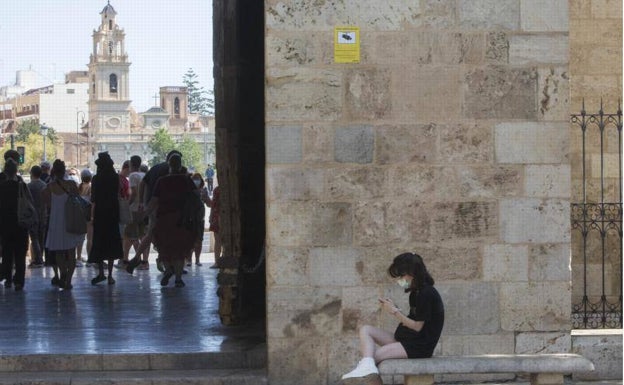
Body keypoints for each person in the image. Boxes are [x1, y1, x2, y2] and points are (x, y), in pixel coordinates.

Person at [341, 252, 445, 380]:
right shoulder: (415, 293)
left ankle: (367, 366)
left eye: (401, 276)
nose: (399, 280)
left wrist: (394, 311)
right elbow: (413, 320)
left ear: (412, 273)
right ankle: (366, 365)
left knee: (373, 358)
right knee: (366, 331)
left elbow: (418, 327)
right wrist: (395, 309)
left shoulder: (427, 293)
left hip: (419, 346)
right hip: (409, 340)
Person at [143, 153, 197, 287]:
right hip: (182, 219)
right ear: (180, 164)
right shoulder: (186, 180)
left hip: (164, 219)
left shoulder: (162, 181)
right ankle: (178, 278)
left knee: (164, 248)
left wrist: (145, 214)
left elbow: (154, 201)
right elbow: (195, 197)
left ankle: (168, 270)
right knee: (179, 249)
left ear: (169, 165)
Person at [126, 150, 182, 275]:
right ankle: (168, 263)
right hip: (170, 209)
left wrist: (142, 202)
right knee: (171, 237)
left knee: (151, 233)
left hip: (153, 206)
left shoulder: (156, 168)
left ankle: (138, 257)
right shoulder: (177, 172)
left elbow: (143, 183)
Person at [41, 159, 84, 290]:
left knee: (59, 252)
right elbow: (78, 200)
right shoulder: (71, 185)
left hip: (55, 222)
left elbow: (48, 204)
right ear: (64, 170)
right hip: (70, 220)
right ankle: (69, 281)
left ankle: (62, 273)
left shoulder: (48, 187)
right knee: (71, 252)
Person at [89, 152, 123, 285]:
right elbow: (118, 193)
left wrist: (92, 215)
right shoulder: (115, 177)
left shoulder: (96, 178)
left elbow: (93, 198)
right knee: (112, 242)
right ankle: (110, 275)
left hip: (100, 213)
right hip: (113, 212)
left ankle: (101, 273)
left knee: (100, 241)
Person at [0, 158, 32, 290]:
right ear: (16, 171)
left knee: (7, 252)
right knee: (20, 253)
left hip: (5, 224)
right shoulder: (22, 185)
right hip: (21, 223)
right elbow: (29, 202)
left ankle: (7, 277)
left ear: (5, 172)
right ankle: (19, 280)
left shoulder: (1, 186)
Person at [122, 156, 147, 269]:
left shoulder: (133, 176)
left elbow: (134, 193)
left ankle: (134, 259)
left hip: (134, 209)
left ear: (131, 164)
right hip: (144, 209)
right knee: (144, 236)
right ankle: (144, 262)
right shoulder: (144, 175)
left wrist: (127, 204)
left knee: (131, 235)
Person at [188, 173, 211, 266]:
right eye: (194, 179)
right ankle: (189, 259)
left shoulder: (203, 190)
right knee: (189, 240)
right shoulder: (188, 190)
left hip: (200, 219)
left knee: (199, 239)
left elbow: (209, 204)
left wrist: (205, 197)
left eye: (198, 179)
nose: (196, 181)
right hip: (189, 218)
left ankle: (197, 259)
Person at [27, 165, 47, 268]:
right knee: (41, 237)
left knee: (34, 238)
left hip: (32, 215)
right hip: (43, 214)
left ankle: (38, 259)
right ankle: (41, 258)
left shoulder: (29, 186)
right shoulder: (44, 185)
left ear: (32, 174)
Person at [76, 169, 93, 264]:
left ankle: (78, 257)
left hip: (80, 214)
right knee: (89, 238)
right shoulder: (91, 187)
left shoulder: (79, 186)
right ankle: (89, 258)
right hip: (89, 214)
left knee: (80, 237)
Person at [208, 185, 222, 268]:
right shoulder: (217, 190)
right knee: (218, 241)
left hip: (217, 217)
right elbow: (213, 205)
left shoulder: (217, 189)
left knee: (218, 241)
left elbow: (213, 205)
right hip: (218, 217)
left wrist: (211, 216)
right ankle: (217, 262)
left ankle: (217, 262)